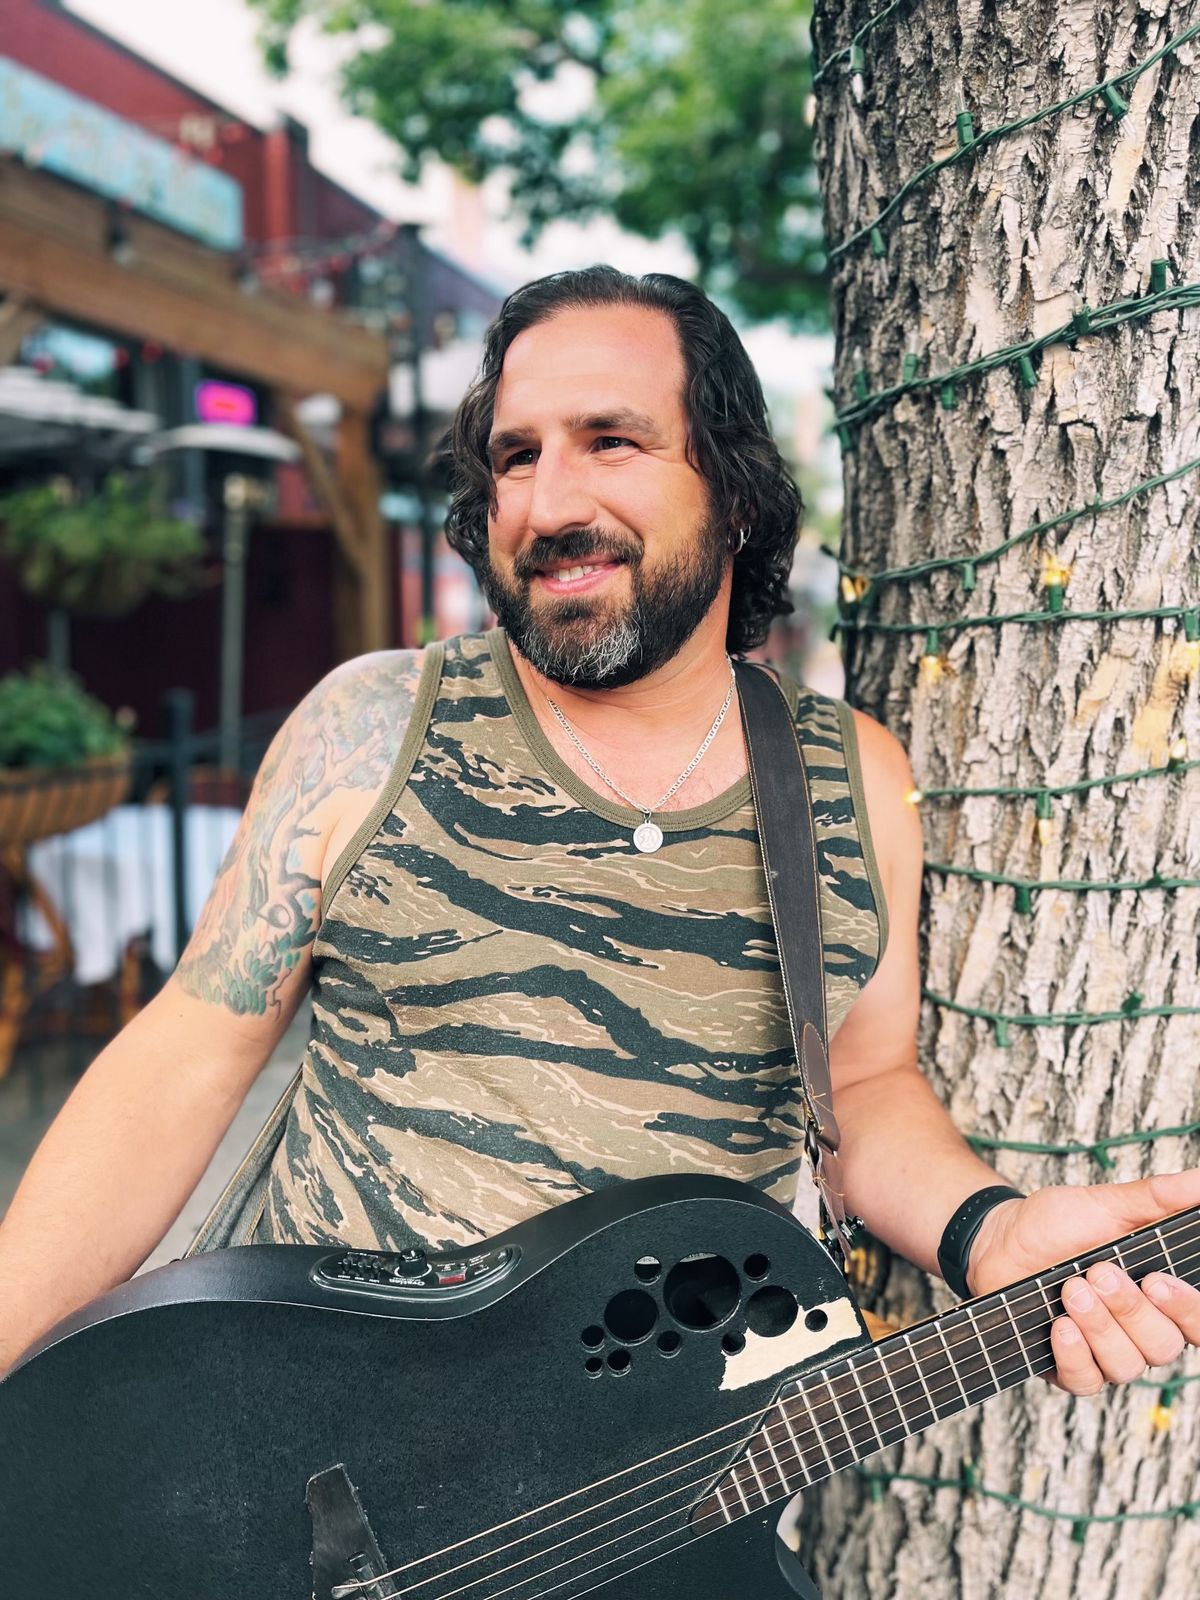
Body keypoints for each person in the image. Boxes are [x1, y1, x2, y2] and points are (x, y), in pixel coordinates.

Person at [1, 267, 1197, 1401]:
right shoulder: (371, 727)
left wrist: (990, 1230)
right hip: (302, 1446)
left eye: (610, 441)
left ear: (734, 491)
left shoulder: (848, 779)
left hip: (632, 1489)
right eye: (516, 456)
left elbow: (865, 1085)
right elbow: (182, 1061)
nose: (549, 504)